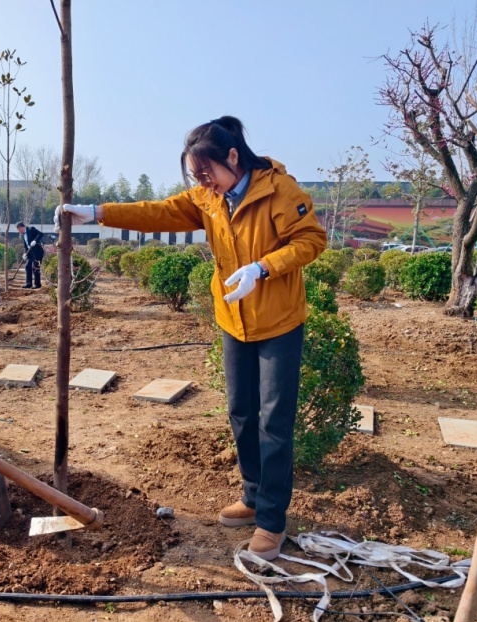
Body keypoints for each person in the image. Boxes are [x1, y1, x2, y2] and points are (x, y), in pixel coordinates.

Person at [55, 116, 326, 561]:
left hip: (279, 322)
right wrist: (99, 213)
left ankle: (272, 521)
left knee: (274, 423)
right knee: (241, 413)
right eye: (195, 176)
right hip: (234, 318)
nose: (203, 183)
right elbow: (157, 212)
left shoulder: (279, 190)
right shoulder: (208, 198)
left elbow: (312, 240)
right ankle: (253, 496)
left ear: (233, 157)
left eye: (207, 173)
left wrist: (263, 268)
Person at [16, 221, 44, 289]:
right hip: (30, 253)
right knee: (27, 266)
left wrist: (35, 241)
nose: (19, 231)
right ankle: (28, 283)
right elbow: (26, 246)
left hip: (37, 252)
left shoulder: (31, 229)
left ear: (21, 227)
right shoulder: (23, 235)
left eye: (18, 229)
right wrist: (25, 254)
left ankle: (37, 284)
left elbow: (40, 234)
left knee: (35, 267)